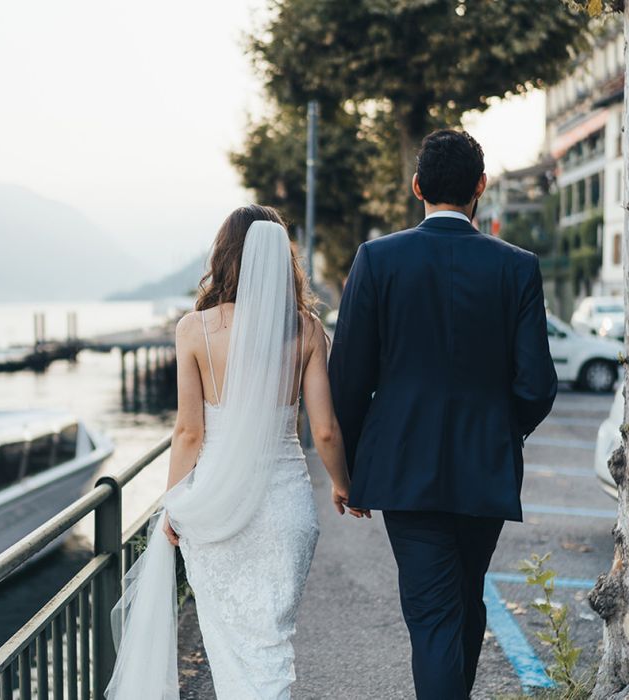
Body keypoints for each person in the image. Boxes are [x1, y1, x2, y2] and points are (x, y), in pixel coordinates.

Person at [329, 129, 557, 700]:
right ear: (481, 187)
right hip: (486, 464)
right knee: (464, 600)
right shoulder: (518, 267)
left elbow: (348, 378)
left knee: (433, 616)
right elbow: (537, 385)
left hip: (404, 468)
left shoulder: (377, 259)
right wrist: (503, 431)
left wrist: (350, 470)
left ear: (416, 187)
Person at [105, 204, 361, 700]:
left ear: (224, 256)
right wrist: (344, 485)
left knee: (231, 653)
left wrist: (173, 506)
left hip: (219, 512)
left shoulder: (194, 330)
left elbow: (188, 434)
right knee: (273, 647)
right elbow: (325, 430)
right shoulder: (307, 330)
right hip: (287, 511)